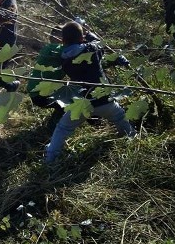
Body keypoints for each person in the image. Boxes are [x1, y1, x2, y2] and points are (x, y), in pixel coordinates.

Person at [44, 21, 136, 164]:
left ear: (62, 41)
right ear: (81, 38)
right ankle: (132, 139)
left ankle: (51, 157)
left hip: (81, 103)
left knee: (62, 128)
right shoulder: (92, 49)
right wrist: (91, 37)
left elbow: (78, 48)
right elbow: (100, 48)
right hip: (103, 98)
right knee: (119, 116)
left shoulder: (64, 58)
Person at [27, 25, 65, 129]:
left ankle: (53, 125)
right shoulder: (54, 49)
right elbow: (71, 51)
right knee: (66, 103)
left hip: (38, 91)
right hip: (39, 95)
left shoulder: (50, 48)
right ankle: (53, 128)